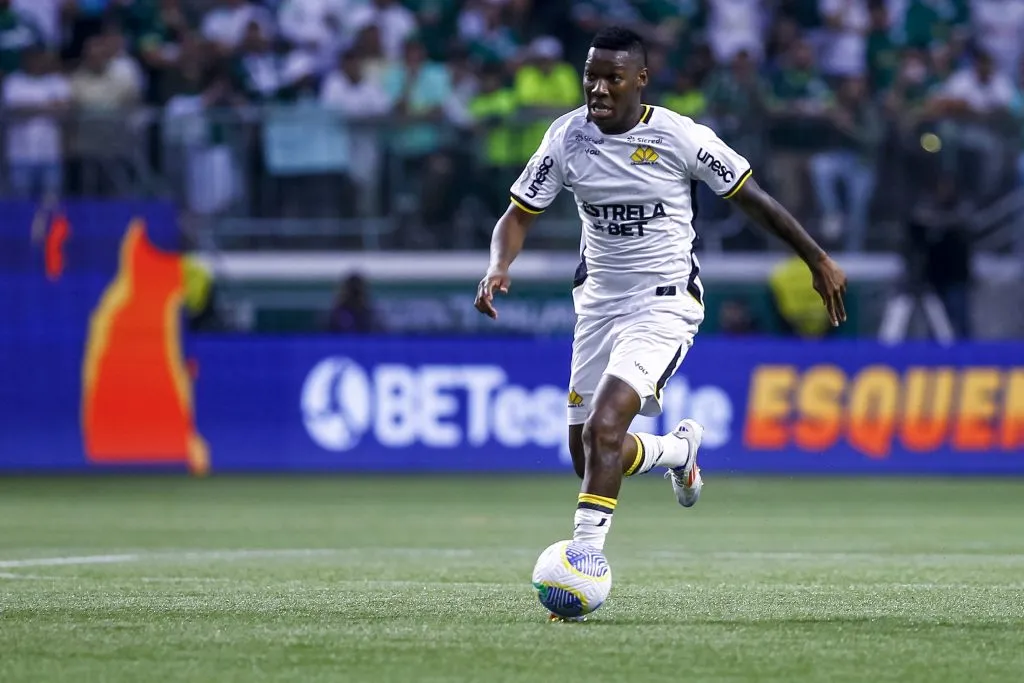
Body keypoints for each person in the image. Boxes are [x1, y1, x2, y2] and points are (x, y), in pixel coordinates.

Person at [473, 26, 847, 574]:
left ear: (640, 81)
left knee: (605, 428)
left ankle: (583, 563)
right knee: (588, 453)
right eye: (590, 77)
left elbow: (753, 198)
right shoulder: (566, 137)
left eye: (612, 78)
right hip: (597, 305)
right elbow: (519, 214)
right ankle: (678, 452)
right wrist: (498, 265)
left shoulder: (681, 138)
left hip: (663, 303)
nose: (597, 89)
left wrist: (816, 258)